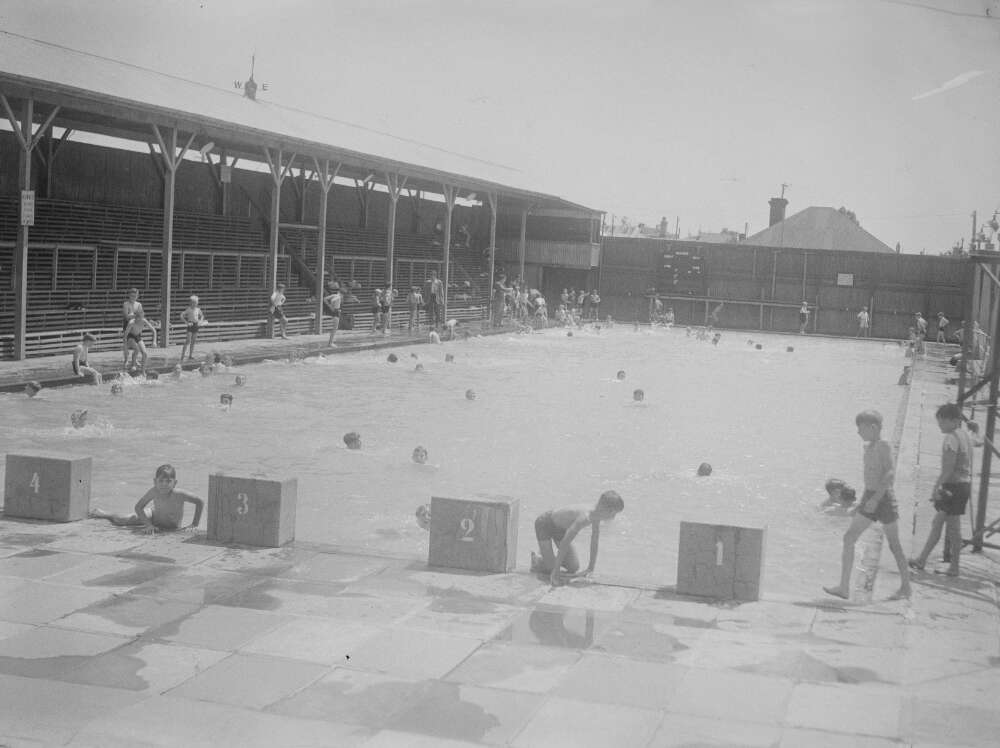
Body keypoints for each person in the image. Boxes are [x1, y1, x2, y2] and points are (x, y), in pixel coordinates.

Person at [824, 410, 911, 600]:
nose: (858, 432)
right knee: (849, 538)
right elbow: (869, 480)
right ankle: (844, 587)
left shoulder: (883, 446)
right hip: (870, 496)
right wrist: (863, 502)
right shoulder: (869, 447)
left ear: (873, 427)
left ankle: (906, 586)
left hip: (884, 498)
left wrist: (875, 499)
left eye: (860, 428)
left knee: (894, 545)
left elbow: (889, 474)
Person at [909, 403, 974, 576]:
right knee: (940, 524)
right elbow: (979, 441)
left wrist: (936, 487)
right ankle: (923, 560)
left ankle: (953, 567)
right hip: (964, 485)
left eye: (942, 421)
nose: (939, 425)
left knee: (951, 528)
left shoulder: (951, 438)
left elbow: (948, 469)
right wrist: (978, 428)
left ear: (954, 420)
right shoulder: (965, 435)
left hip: (953, 487)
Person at [530, 490, 624, 586]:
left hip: (561, 529)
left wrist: (590, 568)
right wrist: (555, 571)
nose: (614, 517)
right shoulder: (584, 517)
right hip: (545, 524)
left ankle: (546, 555)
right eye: (614, 513)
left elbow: (594, 540)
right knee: (551, 568)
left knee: (573, 566)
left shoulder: (597, 514)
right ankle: (538, 559)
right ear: (606, 510)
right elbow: (565, 544)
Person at [90, 464, 203, 534]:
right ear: (155, 482)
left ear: (175, 483)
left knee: (128, 521)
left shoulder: (179, 494)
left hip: (172, 527)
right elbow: (138, 507)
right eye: (161, 481)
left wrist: (194, 524)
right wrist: (148, 524)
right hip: (153, 516)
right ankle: (105, 514)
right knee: (123, 520)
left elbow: (200, 502)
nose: (164, 484)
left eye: (168, 481)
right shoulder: (154, 491)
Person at [179, 295, 206, 361]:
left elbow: (202, 316)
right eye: (193, 302)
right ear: (190, 302)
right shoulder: (188, 309)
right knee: (188, 341)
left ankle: (190, 355)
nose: (194, 304)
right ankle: (182, 355)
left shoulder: (198, 309)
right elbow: (181, 315)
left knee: (193, 341)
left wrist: (201, 321)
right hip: (190, 325)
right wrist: (186, 322)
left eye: (196, 302)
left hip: (196, 325)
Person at [121, 288, 143, 366]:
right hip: (127, 324)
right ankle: (126, 359)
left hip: (136, 325)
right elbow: (126, 316)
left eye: (135, 296)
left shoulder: (139, 304)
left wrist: (133, 314)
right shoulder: (126, 304)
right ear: (129, 295)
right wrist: (135, 315)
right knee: (126, 343)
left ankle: (135, 359)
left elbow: (140, 316)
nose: (133, 297)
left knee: (136, 343)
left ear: (137, 296)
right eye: (132, 295)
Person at [323, 282, 343, 346]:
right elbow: (333, 300)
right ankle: (330, 343)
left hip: (335, 311)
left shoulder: (334, 295)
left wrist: (329, 306)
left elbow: (324, 299)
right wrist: (332, 306)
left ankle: (331, 342)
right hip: (336, 311)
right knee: (335, 328)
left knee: (334, 328)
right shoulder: (338, 296)